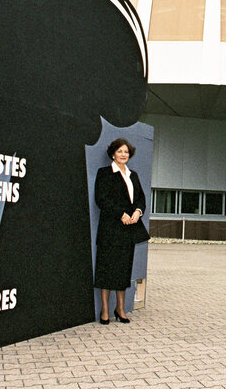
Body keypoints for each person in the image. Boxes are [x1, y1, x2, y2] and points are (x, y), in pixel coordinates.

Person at [94, 137, 149, 324]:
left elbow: (141, 198)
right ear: (113, 154)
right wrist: (121, 214)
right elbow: (101, 199)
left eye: (126, 152)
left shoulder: (133, 175)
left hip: (128, 231)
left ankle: (120, 309)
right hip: (110, 229)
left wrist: (137, 212)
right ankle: (105, 310)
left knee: (123, 270)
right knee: (106, 269)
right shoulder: (104, 173)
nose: (123, 154)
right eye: (120, 151)